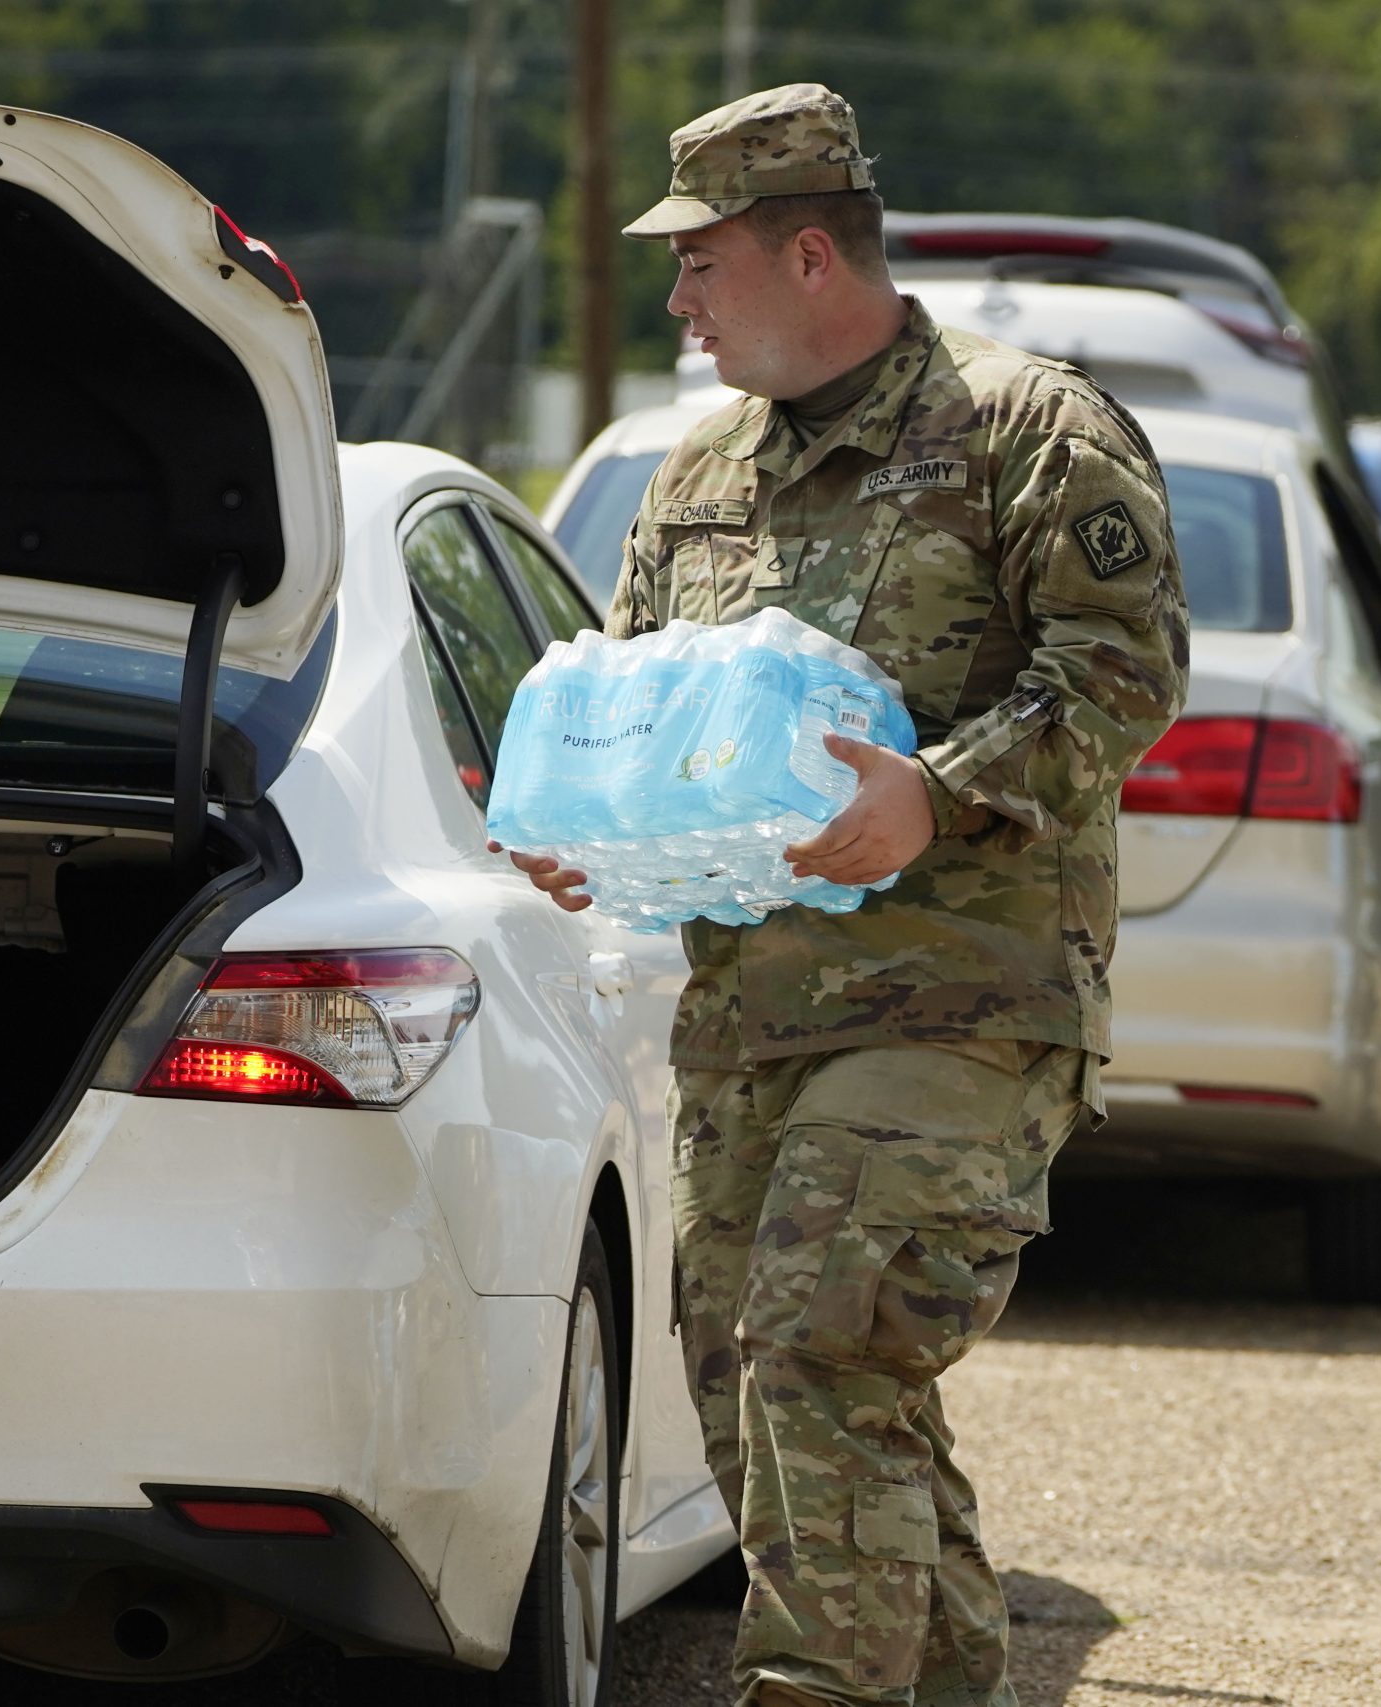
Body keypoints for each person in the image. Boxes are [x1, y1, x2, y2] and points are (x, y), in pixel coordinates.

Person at [499, 84, 1187, 1707]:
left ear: (810, 255)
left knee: (826, 1340)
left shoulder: (1026, 423)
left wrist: (934, 793)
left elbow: (1129, 671)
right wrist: (585, 824)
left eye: (701, 264)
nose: (676, 299)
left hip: (964, 995)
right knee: (761, 1378)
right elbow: (648, 697)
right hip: (751, 1013)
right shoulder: (696, 474)